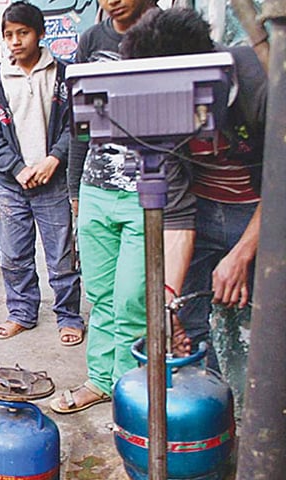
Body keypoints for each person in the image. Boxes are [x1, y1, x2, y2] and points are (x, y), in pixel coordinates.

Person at [50, 0, 195, 414]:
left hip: (148, 191)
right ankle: (101, 380)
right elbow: (78, 126)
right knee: (100, 295)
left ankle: (131, 397)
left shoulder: (171, 35)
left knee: (134, 298)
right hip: (97, 186)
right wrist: (76, 188)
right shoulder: (92, 39)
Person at [121, 7, 266, 396]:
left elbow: (283, 186)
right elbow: (179, 216)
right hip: (202, 211)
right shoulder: (160, 108)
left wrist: (241, 253)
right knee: (186, 321)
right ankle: (217, 416)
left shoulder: (263, 80)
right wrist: (167, 302)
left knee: (271, 329)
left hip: (263, 211)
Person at [0, 1, 84, 346]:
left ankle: (68, 315)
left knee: (61, 256)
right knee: (13, 255)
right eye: (9, 35)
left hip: (52, 183)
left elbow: (77, 126)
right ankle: (21, 312)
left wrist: (54, 159)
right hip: (13, 185)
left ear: (40, 34)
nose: (15, 41)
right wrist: (17, 168)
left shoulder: (63, 76)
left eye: (22, 33)